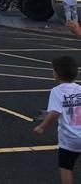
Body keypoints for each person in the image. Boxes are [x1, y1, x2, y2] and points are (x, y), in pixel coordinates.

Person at [34, 56, 81, 184]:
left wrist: (42, 127)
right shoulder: (80, 89)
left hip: (69, 139)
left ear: (57, 74)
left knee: (66, 168)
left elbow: (55, 112)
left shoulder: (57, 91)